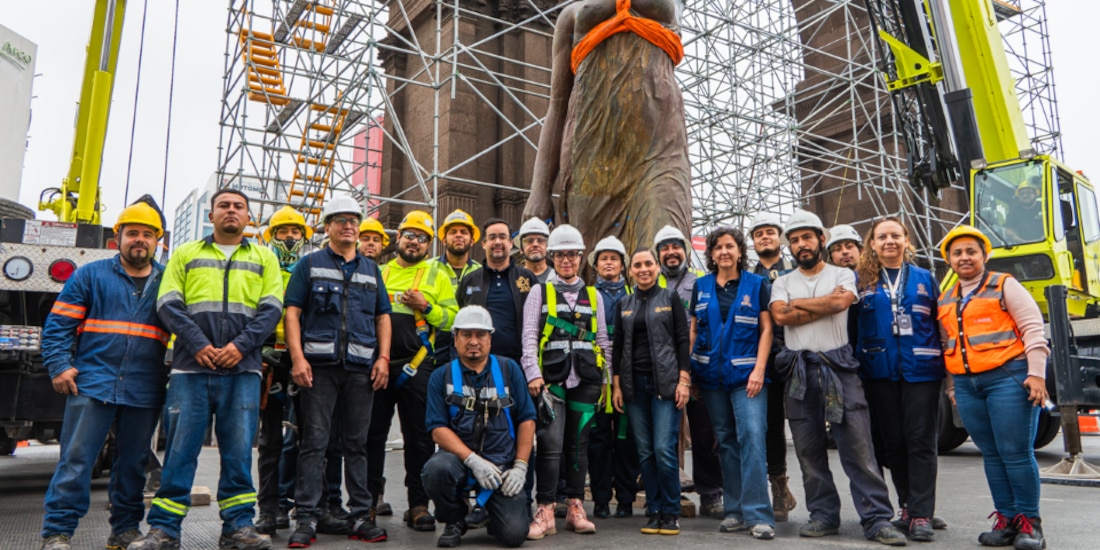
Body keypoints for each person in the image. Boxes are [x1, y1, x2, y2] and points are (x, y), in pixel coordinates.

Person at [133, 189, 283, 550]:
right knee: (181, 452)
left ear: (249, 217)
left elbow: (271, 309)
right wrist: (199, 344)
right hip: (191, 369)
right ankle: (164, 530)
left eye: (239, 207)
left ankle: (237, 528)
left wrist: (238, 348)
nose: (231, 211)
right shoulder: (186, 253)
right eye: (224, 206)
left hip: (243, 369)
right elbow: (167, 303)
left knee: (238, 454)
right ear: (212, 215)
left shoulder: (265, 257)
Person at [768, 210, 906, 546]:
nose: (802, 244)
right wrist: (822, 304)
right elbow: (780, 315)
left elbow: (841, 301)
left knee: (858, 447)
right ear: (790, 246)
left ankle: (876, 519)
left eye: (807, 237)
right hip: (800, 372)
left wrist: (800, 306)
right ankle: (823, 515)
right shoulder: (781, 282)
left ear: (820, 240)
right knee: (809, 450)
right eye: (795, 240)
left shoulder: (842, 275)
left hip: (840, 369)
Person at [38, 203, 170, 550]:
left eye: (147, 234)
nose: (139, 240)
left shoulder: (168, 281)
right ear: (118, 239)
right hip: (92, 381)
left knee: (133, 464)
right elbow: (58, 326)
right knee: (77, 460)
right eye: (132, 234)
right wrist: (59, 365)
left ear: (158, 241)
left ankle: (124, 530)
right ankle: (57, 532)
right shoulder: (90, 275)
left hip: (144, 385)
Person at [523, 0, 691, 257]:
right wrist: (540, 189)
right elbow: (557, 107)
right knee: (592, 261)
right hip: (590, 154)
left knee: (664, 245)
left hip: (659, 150)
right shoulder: (570, 14)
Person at [284, 196, 392, 547]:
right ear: (327, 226)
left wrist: (383, 359)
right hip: (320, 368)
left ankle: (361, 515)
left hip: (361, 369)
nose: (348, 225)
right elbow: (293, 313)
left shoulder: (371, 269)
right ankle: (307, 518)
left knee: (356, 444)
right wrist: (298, 359)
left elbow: (382, 317)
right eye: (340, 220)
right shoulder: (309, 265)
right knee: (314, 443)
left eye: (353, 221)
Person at [938, 226, 1050, 550]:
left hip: (1008, 378)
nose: (964, 257)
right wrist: (952, 387)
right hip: (967, 385)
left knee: (1015, 453)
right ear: (949, 260)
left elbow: (1032, 328)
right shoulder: (946, 298)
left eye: (971, 251)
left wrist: (1037, 376)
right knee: (991, 454)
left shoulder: (1004, 285)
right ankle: (1007, 520)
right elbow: (948, 345)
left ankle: (1031, 524)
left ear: (984, 255)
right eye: (957, 253)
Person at [366, 210, 459, 532]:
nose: (415, 242)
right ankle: (370, 500)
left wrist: (427, 307)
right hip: (378, 364)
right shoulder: (379, 272)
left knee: (419, 438)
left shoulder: (437, 275)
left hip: (417, 367)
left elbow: (452, 320)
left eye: (422, 238)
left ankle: (418, 505)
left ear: (428, 244)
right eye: (410, 235)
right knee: (372, 435)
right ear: (398, 238)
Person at [854, 217, 945, 542]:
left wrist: (949, 378)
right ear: (873, 244)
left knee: (920, 442)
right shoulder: (860, 280)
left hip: (921, 371)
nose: (889, 241)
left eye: (895, 235)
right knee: (893, 442)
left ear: (906, 240)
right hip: (878, 372)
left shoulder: (925, 279)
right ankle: (906, 505)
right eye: (882, 237)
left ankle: (922, 514)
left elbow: (942, 326)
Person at [522, 224, 612, 539]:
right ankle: (545, 509)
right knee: (550, 445)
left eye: (572, 255)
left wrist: (606, 381)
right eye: (561, 255)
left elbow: (602, 339)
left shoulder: (594, 295)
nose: (567, 260)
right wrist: (533, 373)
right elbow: (529, 336)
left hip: (586, 379)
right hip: (552, 382)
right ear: (553, 257)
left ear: (579, 258)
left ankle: (575, 506)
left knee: (578, 448)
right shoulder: (539, 291)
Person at [422, 306, 537, 548]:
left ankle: (489, 513)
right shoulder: (441, 377)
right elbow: (437, 428)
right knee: (436, 470)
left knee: (514, 535)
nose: (474, 341)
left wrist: (520, 466)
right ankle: (455, 519)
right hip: (460, 462)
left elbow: (527, 419)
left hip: (502, 467)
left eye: (480, 335)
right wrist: (473, 460)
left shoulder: (509, 370)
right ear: (455, 339)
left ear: (490, 339)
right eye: (466, 335)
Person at [690, 227, 775, 540]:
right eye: (718, 247)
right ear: (711, 254)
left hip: (746, 377)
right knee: (725, 440)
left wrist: (759, 369)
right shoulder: (701, 287)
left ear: (740, 251)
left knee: (752, 436)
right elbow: (695, 333)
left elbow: (766, 330)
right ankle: (735, 510)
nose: (724, 252)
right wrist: (690, 373)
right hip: (711, 378)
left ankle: (758, 514)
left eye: (730, 246)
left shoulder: (757, 284)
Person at [456, 217, 537, 527]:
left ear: (511, 243)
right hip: (478, 370)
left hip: (516, 370)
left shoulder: (528, 279)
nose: (499, 242)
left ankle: (521, 503)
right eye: (493, 237)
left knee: (519, 435)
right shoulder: (470, 279)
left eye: (504, 236)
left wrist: (531, 370)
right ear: (484, 243)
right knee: (476, 434)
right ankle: (472, 504)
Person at [611, 248, 690, 536]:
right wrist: (617, 385)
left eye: (648, 264)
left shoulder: (670, 298)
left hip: (665, 386)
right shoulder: (624, 303)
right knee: (644, 451)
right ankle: (653, 509)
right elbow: (617, 346)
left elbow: (683, 340)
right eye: (637, 265)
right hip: (634, 387)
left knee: (663, 449)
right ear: (630, 271)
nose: (643, 269)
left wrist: (683, 380)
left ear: (656, 267)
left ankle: (671, 511)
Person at [654, 224, 723, 518]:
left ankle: (710, 494)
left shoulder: (701, 284)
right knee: (662, 434)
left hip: (695, 368)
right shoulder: (648, 283)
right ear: (658, 255)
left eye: (675, 247)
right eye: (665, 248)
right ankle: (663, 488)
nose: (671, 253)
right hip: (658, 370)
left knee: (704, 432)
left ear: (684, 250)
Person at [256, 206, 313, 536]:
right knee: (269, 439)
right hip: (269, 361)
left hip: (303, 360)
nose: (289, 238)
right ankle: (269, 506)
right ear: (271, 236)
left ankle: (297, 504)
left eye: (295, 232)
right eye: (282, 232)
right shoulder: (262, 266)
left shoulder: (310, 268)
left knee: (305, 437)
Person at [747, 213, 798, 522]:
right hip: (760, 361)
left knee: (807, 428)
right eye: (758, 234)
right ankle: (778, 488)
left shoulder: (794, 272)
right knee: (771, 427)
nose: (764, 237)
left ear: (780, 238)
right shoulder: (747, 276)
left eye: (770, 232)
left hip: (793, 357)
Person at [587, 236, 640, 520]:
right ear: (596, 265)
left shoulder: (633, 295)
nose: (609, 263)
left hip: (627, 374)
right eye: (603, 258)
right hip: (595, 376)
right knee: (597, 439)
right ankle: (600, 499)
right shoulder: (586, 294)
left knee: (626, 438)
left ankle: (626, 499)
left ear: (623, 265)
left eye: (614, 258)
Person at [434, 210, 483, 367]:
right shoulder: (428, 268)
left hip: (471, 345)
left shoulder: (481, 272)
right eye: (453, 232)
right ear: (443, 239)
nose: (458, 235)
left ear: (472, 240)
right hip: (435, 343)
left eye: (464, 232)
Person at [1005, 177, 1044, 243]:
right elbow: (1009, 232)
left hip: (1045, 244)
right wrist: (1023, 241)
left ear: (1035, 194)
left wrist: (1043, 238)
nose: (1025, 196)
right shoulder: (1013, 212)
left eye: (1029, 192)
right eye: (1022, 193)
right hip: (1022, 247)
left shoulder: (1044, 207)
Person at [515, 217, 553, 283]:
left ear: (547, 247)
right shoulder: (513, 279)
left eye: (541, 240)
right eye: (529, 240)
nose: (535, 244)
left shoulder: (558, 279)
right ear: (521, 249)